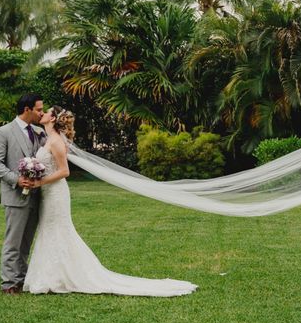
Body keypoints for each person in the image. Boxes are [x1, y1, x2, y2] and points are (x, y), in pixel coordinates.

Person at [23, 105, 197, 297]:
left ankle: (59, 277)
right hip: (49, 193)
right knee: (50, 229)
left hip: (56, 193)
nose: (43, 114)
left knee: (58, 230)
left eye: (46, 112)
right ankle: (54, 275)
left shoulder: (55, 141)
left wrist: (40, 181)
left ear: (53, 119)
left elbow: (65, 171)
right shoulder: (49, 138)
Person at [0, 93, 46, 294]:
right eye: (39, 109)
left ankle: (20, 278)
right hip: (15, 195)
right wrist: (16, 179)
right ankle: (9, 284)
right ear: (27, 109)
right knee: (13, 241)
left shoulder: (39, 132)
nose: (42, 113)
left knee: (26, 241)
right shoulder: (3, 132)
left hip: (37, 196)